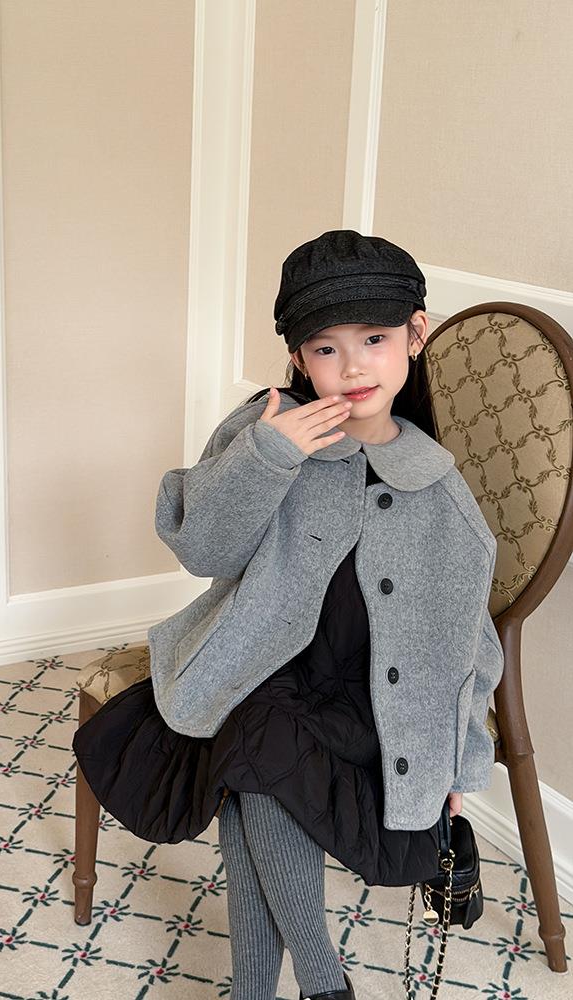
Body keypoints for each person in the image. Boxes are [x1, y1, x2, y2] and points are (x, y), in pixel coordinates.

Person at [73, 230, 504, 1000]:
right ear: (300, 359)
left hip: (369, 700)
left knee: (258, 768)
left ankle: (265, 991)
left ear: (415, 334)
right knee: (259, 742)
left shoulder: (435, 484)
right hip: (262, 667)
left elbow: (468, 640)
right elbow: (201, 550)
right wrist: (266, 458)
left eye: (374, 339)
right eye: (326, 348)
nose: (353, 366)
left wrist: (460, 761)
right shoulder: (266, 431)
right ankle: (321, 981)